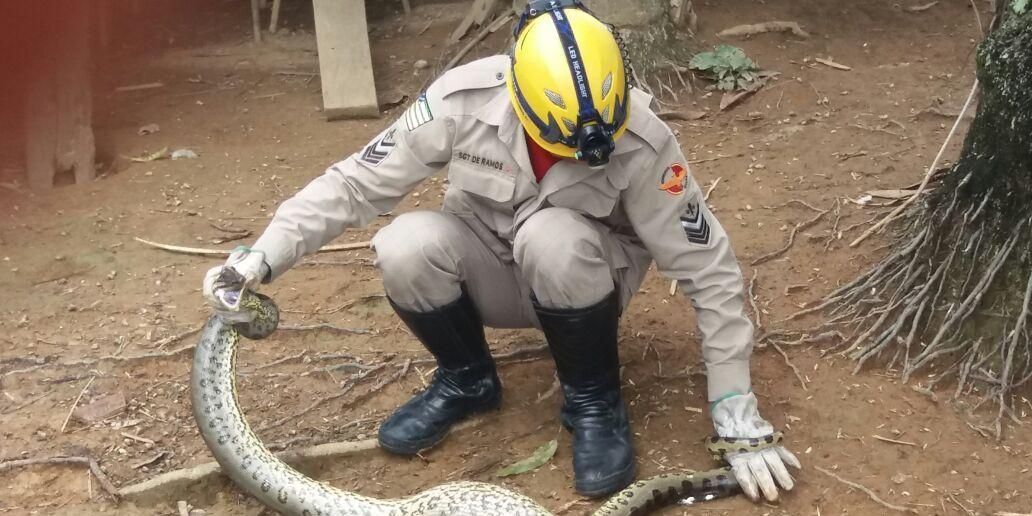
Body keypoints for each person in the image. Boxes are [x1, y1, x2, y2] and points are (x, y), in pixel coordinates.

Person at [202, 0, 800, 501]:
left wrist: (734, 409)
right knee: (404, 243)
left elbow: (709, 269)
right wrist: (262, 256)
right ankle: (467, 382)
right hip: (488, 268)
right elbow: (356, 182)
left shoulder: (644, 139)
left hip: (583, 281)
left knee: (554, 237)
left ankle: (594, 402)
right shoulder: (461, 100)